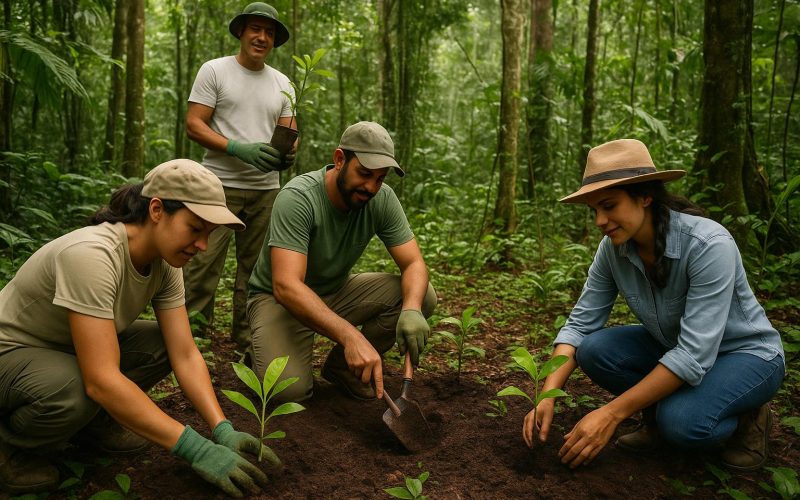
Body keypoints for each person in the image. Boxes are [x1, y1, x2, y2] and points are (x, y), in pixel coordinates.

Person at [0, 160, 278, 497]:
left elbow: (185, 353)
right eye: (195, 228)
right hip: (12, 352)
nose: (203, 245)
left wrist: (222, 429)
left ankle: (93, 423)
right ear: (157, 210)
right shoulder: (92, 255)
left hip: (63, 351)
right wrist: (195, 448)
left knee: (160, 344)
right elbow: (101, 380)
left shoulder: (165, 262)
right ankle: (11, 447)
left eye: (210, 233)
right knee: (74, 389)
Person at [521, 139, 785, 471]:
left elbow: (693, 354)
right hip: (676, 347)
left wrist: (612, 413)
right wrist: (546, 396)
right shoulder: (613, 250)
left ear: (645, 196)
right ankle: (660, 417)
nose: (600, 220)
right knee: (595, 349)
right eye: (594, 210)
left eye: (609, 206)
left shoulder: (708, 244)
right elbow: (579, 326)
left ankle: (747, 415)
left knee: (683, 424)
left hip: (744, 355)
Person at [247, 121, 437, 403]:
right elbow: (285, 286)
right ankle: (260, 350)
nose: (371, 187)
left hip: (335, 292)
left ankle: (343, 370)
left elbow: (414, 264)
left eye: (380, 178)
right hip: (279, 302)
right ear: (339, 160)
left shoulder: (382, 199)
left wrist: (411, 309)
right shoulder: (299, 197)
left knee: (422, 296)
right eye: (364, 173)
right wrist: (350, 336)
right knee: (288, 392)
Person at [183, 2, 296, 349]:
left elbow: (290, 131)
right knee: (202, 263)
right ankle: (190, 336)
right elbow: (194, 124)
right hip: (217, 186)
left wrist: (287, 154)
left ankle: (247, 337)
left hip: (265, 191)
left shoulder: (283, 82)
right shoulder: (215, 71)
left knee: (256, 268)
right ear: (241, 32)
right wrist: (236, 148)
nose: (262, 37)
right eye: (255, 29)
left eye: (269, 32)